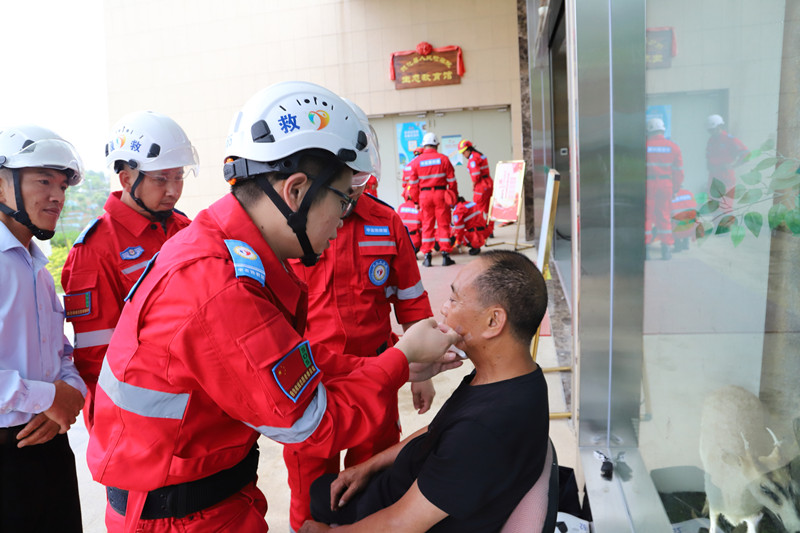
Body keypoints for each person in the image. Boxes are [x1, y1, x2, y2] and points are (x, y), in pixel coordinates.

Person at [87, 81, 462, 533]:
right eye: (343, 199)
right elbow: (314, 422)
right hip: (183, 516)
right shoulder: (219, 284)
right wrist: (399, 358)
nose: (345, 218)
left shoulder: (229, 251)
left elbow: (293, 359)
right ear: (297, 191)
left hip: (207, 495)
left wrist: (399, 364)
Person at [300, 250, 551, 533]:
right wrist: (368, 465)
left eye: (454, 299)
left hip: (395, 512)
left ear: (494, 322)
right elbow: (438, 430)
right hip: (401, 485)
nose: (444, 308)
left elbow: (400, 524)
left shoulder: (483, 430)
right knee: (322, 490)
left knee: (319, 502)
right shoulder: (506, 377)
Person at [284, 99, 436, 532]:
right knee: (310, 484)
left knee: (374, 478)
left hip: (378, 375)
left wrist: (420, 371)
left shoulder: (386, 223)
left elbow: (411, 302)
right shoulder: (293, 227)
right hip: (311, 382)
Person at [61, 111, 197, 430]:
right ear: (126, 178)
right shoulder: (94, 250)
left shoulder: (187, 230)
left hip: (196, 410)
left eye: (178, 176)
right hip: (135, 424)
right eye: (161, 178)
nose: (173, 190)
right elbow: (97, 359)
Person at [0, 125, 88, 533]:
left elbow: (60, 354)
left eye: (62, 184)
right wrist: (47, 398)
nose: (57, 195)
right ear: (2, 186)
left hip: (51, 448)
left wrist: (71, 396)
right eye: (42, 180)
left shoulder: (38, 268)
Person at [409, 132, 458, 267]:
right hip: (441, 195)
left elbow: (413, 185)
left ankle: (427, 256)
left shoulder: (416, 161)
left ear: (424, 146)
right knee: (443, 225)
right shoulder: (444, 159)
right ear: (436, 145)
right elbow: (452, 182)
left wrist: (415, 201)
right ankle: (445, 256)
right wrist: (453, 196)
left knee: (427, 225)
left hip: (424, 197)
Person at [645, 118, 684, 260]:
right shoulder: (673, 147)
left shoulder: (644, 146)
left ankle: (646, 251)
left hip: (648, 184)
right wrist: (675, 189)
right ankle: (666, 250)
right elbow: (678, 172)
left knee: (647, 217)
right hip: (666, 185)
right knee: (665, 216)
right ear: (663, 129)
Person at [705, 114, 748, 211]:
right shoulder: (711, 140)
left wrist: (734, 165)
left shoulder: (730, 139)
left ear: (719, 127)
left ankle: (725, 225)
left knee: (725, 208)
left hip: (726, 177)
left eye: (712, 129)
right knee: (713, 208)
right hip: (713, 177)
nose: (711, 132)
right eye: (709, 130)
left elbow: (746, 154)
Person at [458, 139, 494, 237]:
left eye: (464, 152)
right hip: (489, 183)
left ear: (468, 149)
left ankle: (481, 231)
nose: (463, 155)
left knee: (477, 209)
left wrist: (472, 184)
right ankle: (490, 230)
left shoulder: (473, 158)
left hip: (481, 185)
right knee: (488, 209)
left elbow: (476, 174)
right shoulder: (480, 155)